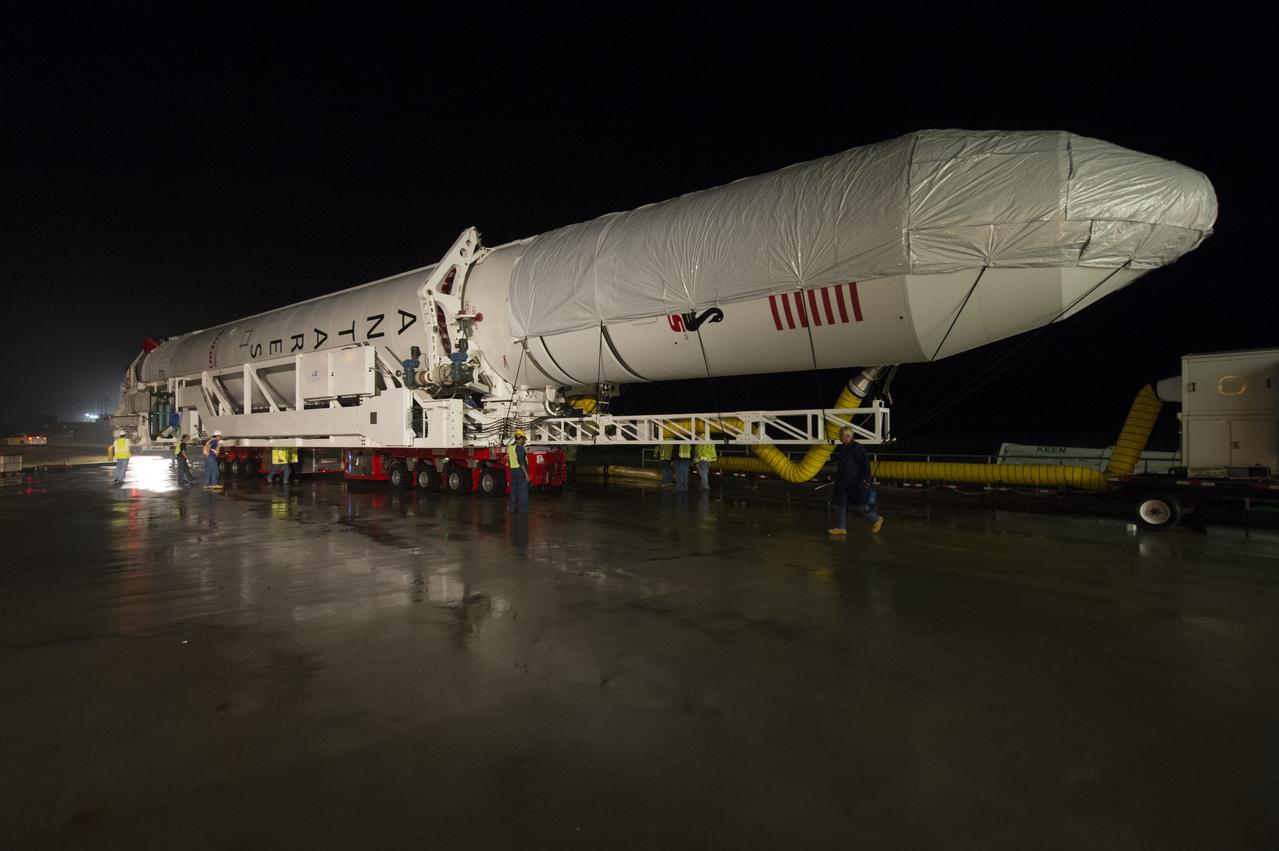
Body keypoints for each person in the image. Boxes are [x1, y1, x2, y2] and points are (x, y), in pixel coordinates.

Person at [828, 426, 883, 535]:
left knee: (860, 505)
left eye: (841, 435)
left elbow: (865, 466)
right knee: (841, 504)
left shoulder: (858, 448)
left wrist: (866, 481)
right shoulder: (844, 448)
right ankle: (841, 527)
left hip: (855, 483)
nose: (840, 437)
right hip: (843, 482)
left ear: (847, 436)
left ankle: (877, 519)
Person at [507, 430, 529, 513]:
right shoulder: (519, 447)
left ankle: (512, 508)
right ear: (521, 438)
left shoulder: (510, 447)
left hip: (513, 470)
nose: (525, 441)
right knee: (523, 491)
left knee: (514, 491)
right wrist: (526, 474)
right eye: (524, 439)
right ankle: (523, 510)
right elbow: (521, 461)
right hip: (520, 471)